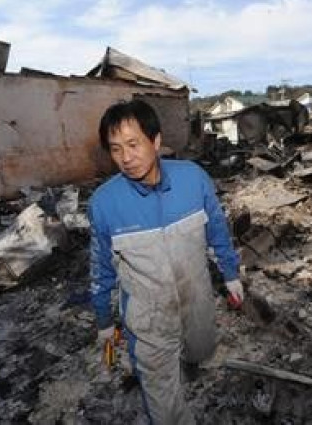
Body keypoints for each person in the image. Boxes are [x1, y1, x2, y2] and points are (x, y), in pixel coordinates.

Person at [89, 99, 243, 424]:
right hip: (148, 319)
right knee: (165, 404)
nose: (126, 158)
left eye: (133, 144)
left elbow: (217, 228)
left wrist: (230, 274)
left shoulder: (194, 179)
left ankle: (190, 357)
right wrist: (104, 320)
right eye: (116, 149)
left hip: (197, 299)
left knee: (201, 351)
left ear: (156, 141)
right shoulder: (104, 203)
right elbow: (100, 269)